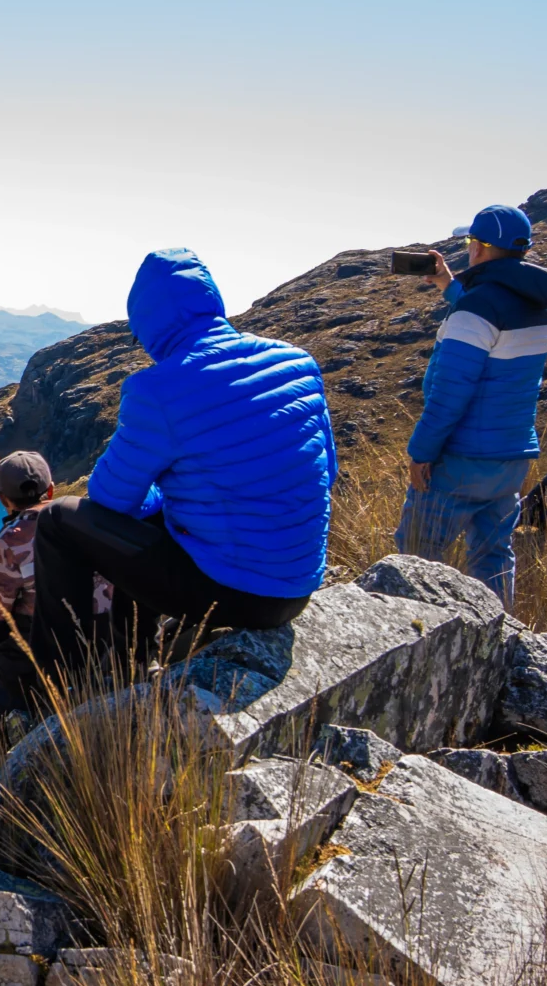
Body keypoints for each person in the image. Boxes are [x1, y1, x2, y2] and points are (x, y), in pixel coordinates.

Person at [23, 248, 338, 682]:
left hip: (237, 592)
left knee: (59, 521)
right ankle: (130, 665)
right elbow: (327, 471)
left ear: (149, 325)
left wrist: (161, 495)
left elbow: (109, 500)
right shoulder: (298, 362)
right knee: (154, 519)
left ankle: (59, 681)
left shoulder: (158, 390)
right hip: (299, 585)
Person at [401, 206, 547, 608]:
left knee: (417, 555)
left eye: (470, 242)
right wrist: (448, 284)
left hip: (462, 459)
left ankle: (415, 634)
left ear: (479, 248)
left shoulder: (477, 308)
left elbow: (450, 392)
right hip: (510, 459)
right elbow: (494, 313)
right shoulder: (534, 305)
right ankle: (498, 635)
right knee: (493, 556)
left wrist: (421, 452)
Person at [0, 450, 102, 715]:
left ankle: (1, 733)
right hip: (104, 640)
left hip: (44, 649)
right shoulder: (86, 516)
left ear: (3, 498)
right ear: (51, 489)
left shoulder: (10, 540)